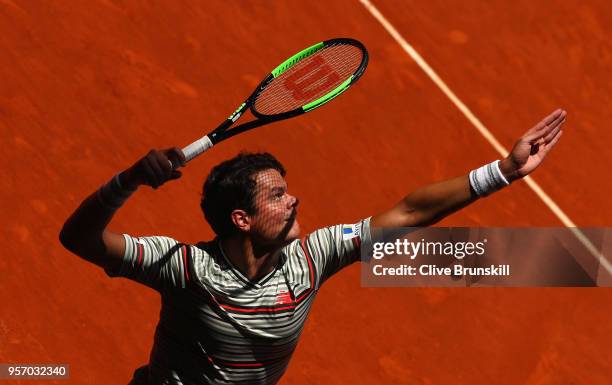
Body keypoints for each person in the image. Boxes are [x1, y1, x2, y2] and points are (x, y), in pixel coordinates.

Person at [60, 109, 566, 384]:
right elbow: (79, 239)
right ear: (242, 218)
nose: (295, 200)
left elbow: (409, 212)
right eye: (278, 196)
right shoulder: (184, 268)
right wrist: (127, 179)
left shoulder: (312, 256)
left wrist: (501, 172)